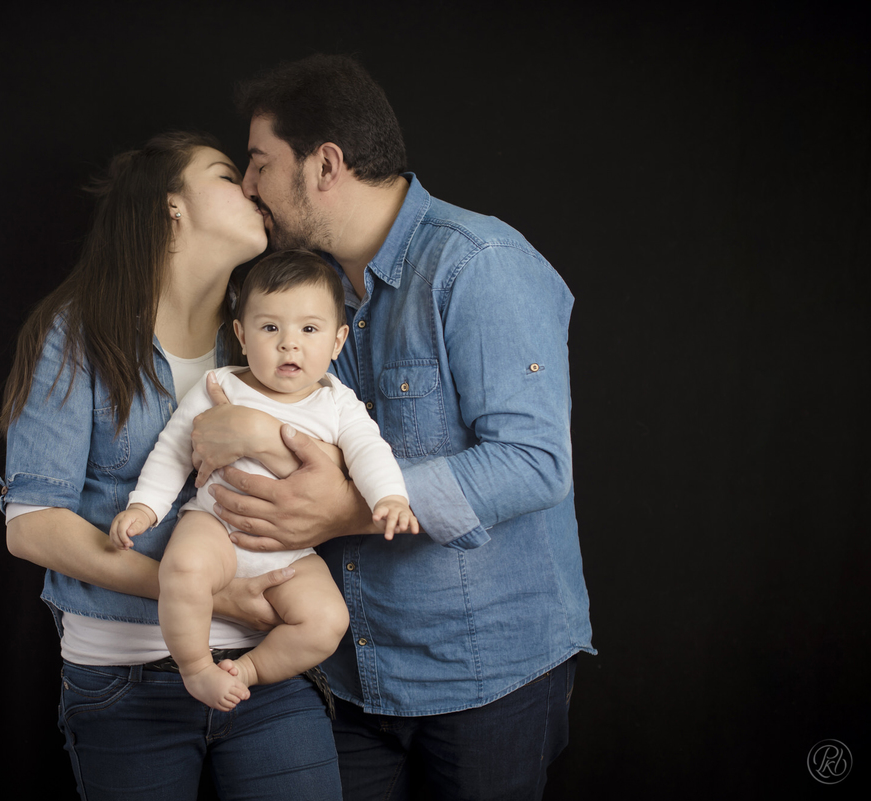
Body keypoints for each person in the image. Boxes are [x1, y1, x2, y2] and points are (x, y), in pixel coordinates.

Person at [190, 55, 595, 799]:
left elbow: (536, 461)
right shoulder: (293, 290)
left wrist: (348, 506)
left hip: (487, 680)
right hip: (348, 676)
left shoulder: (478, 264)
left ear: (326, 164)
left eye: (258, 164)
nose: (248, 188)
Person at [0, 131, 342, 801]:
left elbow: (331, 476)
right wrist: (201, 592)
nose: (251, 186)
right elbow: (32, 526)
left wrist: (256, 430)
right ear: (170, 208)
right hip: (123, 678)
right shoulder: (79, 333)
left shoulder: (272, 332)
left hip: (263, 667)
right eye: (224, 173)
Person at [110, 250, 417, 711]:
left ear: (337, 342)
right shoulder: (224, 385)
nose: (288, 344)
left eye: (308, 330)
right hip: (214, 525)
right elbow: (175, 447)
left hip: (291, 546)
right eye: (270, 328)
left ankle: (249, 668)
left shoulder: (339, 404)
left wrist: (390, 496)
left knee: (328, 620)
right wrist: (145, 507)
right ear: (241, 335)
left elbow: (370, 452)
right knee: (184, 570)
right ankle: (195, 667)